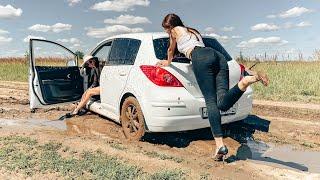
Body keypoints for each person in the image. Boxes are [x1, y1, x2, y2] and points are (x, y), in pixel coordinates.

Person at [157, 13, 269, 162]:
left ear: (170, 26)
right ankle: (246, 81)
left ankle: (220, 146)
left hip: (200, 58)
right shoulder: (193, 32)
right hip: (217, 56)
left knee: (210, 102)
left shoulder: (174, 32)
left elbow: (171, 51)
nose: (167, 31)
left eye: (166, 28)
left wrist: (168, 62)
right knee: (222, 103)